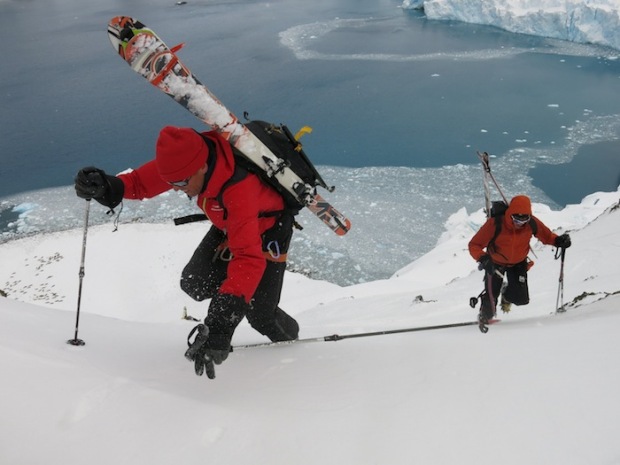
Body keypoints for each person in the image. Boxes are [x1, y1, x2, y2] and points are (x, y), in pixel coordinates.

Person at [74, 126, 300, 379]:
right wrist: (105, 186)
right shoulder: (184, 161)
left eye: (181, 183)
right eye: (172, 183)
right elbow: (140, 183)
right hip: (230, 224)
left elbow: (247, 259)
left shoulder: (239, 189)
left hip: (268, 231)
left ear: (203, 166)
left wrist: (220, 324)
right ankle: (243, 296)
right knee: (196, 283)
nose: (178, 188)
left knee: (261, 316)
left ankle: (295, 351)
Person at [468, 195, 571, 323]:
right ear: (510, 214)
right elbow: (474, 245)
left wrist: (558, 241)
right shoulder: (495, 224)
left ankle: (506, 294)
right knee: (491, 296)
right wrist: (483, 258)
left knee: (521, 300)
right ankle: (485, 316)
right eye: (516, 219)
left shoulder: (532, 223)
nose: (520, 223)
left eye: (524, 220)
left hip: (518, 263)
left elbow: (547, 236)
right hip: (495, 263)